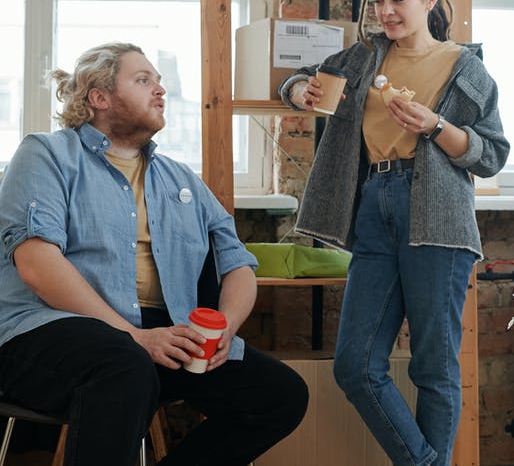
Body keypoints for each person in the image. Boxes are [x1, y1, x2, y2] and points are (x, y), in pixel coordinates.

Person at [0, 42, 308, 466]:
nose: (160, 90)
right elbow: (37, 265)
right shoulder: (46, 155)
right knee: (125, 366)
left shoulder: (180, 179)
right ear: (100, 97)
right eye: (143, 80)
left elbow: (237, 263)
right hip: (48, 333)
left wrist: (223, 331)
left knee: (279, 395)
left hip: (155, 339)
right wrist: (134, 337)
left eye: (159, 82)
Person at [279, 0, 508, 466]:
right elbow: (296, 81)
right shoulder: (362, 58)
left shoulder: (465, 69)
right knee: (355, 365)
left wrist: (437, 125)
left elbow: (491, 154)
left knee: (434, 369)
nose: (385, 12)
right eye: (377, 1)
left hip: (438, 218)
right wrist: (299, 92)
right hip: (373, 209)